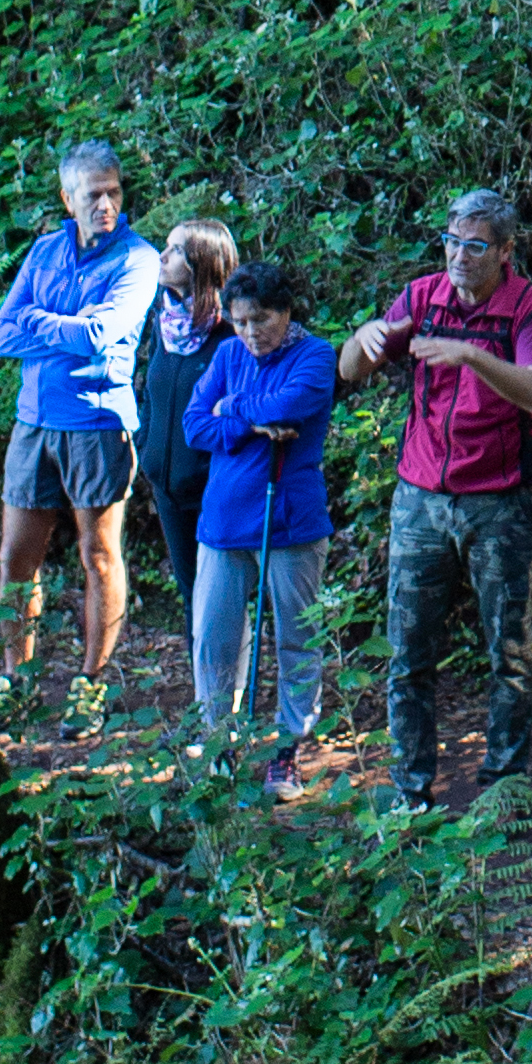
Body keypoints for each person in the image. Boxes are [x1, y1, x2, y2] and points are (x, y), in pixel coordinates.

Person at [336, 188, 532, 812]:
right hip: (421, 494)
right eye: (452, 242)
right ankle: (411, 789)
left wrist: (469, 355)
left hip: (499, 499)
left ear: (505, 251)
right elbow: (351, 369)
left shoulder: (530, 309)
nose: (459, 256)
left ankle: (503, 790)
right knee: (407, 652)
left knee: (508, 651)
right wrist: (366, 335)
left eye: (476, 245)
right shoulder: (421, 297)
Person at [0, 142, 159, 720]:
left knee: (99, 555)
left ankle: (92, 682)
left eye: (114, 191)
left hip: (97, 422)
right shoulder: (44, 252)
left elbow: (103, 333)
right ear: (68, 199)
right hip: (34, 421)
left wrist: (41, 322)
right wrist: (63, 326)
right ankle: (18, 679)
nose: (106, 204)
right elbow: (3, 335)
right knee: (16, 559)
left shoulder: (139, 260)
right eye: (93, 195)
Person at [181, 263, 338, 767]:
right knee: (214, 637)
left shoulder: (314, 355)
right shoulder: (227, 354)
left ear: (286, 312)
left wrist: (230, 409)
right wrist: (247, 421)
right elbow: (192, 426)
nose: (250, 332)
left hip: (290, 520)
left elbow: (291, 405)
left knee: (296, 636)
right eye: (241, 320)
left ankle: (287, 747)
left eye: (262, 319)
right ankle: (220, 743)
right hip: (224, 521)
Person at [136, 222, 236, 621]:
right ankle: (204, 685)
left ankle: (227, 685)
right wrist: (147, 449)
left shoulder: (231, 335)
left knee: (220, 602)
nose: (162, 256)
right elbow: (150, 394)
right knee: (192, 597)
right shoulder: (164, 325)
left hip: (213, 492)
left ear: (202, 264)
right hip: (167, 488)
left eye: (175, 250)